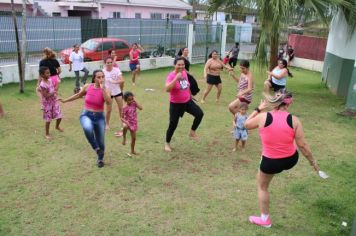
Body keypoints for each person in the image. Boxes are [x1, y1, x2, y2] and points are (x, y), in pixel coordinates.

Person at [244, 90, 321, 228]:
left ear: (275, 101)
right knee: (286, 148)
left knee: (262, 187)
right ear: (289, 104)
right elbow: (302, 146)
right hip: (290, 160)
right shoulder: (294, 120)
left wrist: (258, 109)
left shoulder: (263, 116)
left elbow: (246, 124)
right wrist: (312, 162)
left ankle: (265, 220)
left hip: (270, 163)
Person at [58, 70, 112, 168]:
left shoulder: (107, 89)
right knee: (87, 128)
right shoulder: (88, 86)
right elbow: (78, 95)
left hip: (99, 117)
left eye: (102, 77)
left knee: (101, 142)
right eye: (98, 77)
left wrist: (103, 89)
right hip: (86, 114)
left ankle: (100, 159)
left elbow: (109, 102)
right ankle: (96, 148)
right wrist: (65, 101)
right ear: (94, 78)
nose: (101, 79)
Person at [164, 57, 204, 152]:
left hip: (187, 101)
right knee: (173, 125)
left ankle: (192, 132)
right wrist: (176, 79)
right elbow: (167, 89)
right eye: (179, 64)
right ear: (175, 65)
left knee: (199, 114)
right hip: (175, 104)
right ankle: (167, 143)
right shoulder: (171, 75)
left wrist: (190, 95)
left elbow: (186, 85)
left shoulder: (184, 73)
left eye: (183, 64)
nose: (181, 66)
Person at [38, 66, 63, 139]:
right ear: (42, 75)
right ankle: (47, 134)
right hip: (47, 104)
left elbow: (53, 89)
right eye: (47, 73)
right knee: (48, 119)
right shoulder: (42, 84)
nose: (49, 74)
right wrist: (53, 92)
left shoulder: (50, 80)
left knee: (59, 115)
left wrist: (57, 86)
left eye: (49, 72)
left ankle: (57, 126)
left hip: (54, 101)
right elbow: (45, 95)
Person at [102, 56, 124, 133]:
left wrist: (114, 82)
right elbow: (101, 82)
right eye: (108, 62)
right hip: (108, 93)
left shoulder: (116, 70)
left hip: (117, 92)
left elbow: (122, 80)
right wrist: (103, 88)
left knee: (121, 109)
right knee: (109, 110)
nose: (109, 64)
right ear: (105, 63)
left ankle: (123, 123)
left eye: (111, 62)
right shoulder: (103, 72)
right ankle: (107, 124)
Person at [121, 91, 142, 156]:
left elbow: (141, 108)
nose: (131, 101)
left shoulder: (134, 104)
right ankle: (124, 137)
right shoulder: (124, 107)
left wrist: (135, 101)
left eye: (132, 99)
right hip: (127, 122)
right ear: (125, 100)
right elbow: (121, 118)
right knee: (125, 126)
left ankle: (132, 151)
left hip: (134, 123)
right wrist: (126, 122)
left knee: (134, 139)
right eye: (129, 100)